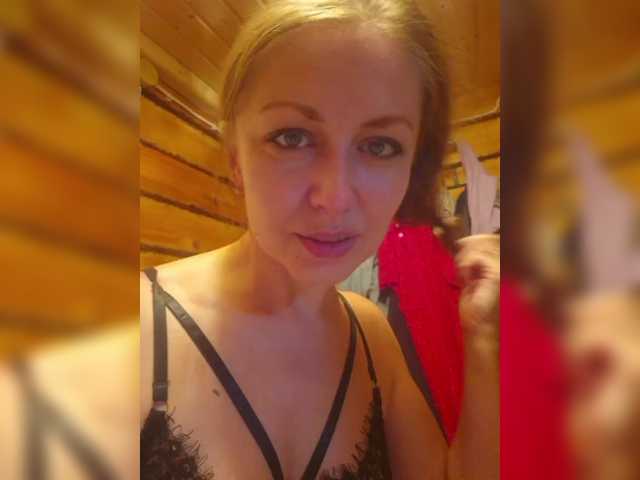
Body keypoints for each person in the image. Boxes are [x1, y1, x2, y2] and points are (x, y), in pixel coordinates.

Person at [140, 1, 499, 478]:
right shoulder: (134, 330)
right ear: (235, 157)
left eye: (379, 146)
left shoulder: (373, 338)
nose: (335, 199)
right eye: (292, 137)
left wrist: (487, 342)